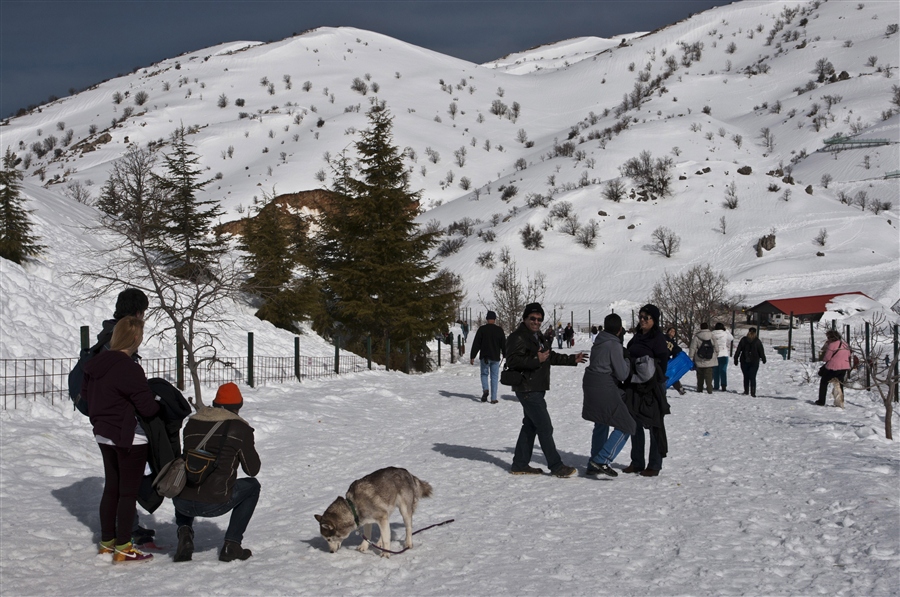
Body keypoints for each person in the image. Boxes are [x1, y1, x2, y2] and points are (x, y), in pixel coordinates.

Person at [83, 316, 160, 564]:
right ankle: (124, 547)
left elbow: (86, 397)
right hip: (129, 437)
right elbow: (147, 408)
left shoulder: (95, 364)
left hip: (103, 433)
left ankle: (107, 543)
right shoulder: (130, 368)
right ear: (136, 338)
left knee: (111, 488)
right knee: (127, 493)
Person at [173, 383, 261, 563]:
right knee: (253, 486)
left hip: (181, 502)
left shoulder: (193, 422)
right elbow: (252, 470)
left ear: (215, 402)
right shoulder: (240, 428)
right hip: (214, 502)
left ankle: (184, 531)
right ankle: (232, 545)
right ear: (239, 406)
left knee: (188, 477)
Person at [505, 303, 586, 477]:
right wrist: (536, 359)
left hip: (536, 387)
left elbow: (549, 356)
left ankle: (519, 464)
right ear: (525, 318)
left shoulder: (537, 336)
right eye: (532, 318)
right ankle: (556, 466)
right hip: (527, 388)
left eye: (539, 319)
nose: (536, 322)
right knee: (545, 427)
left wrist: (572, 359)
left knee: (530, 426)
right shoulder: (517, 337)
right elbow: (512, 361)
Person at [582, 313, 634, 477]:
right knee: (627, 425)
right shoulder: (614, 345)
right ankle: (602, 459)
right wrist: (627, 359)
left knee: (601, 422)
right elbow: (622, 374)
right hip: (604, 385)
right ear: (619, 329)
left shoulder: (599, 341)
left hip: (590, 384)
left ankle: (593, 463)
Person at [623, 304, 670, 477]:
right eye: (641, 317)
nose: (642, 320)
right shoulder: (637, 337)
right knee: (634, 422)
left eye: (646, 317)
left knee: (654, 424)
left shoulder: (658, 338)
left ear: (654, 320)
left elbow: (663, 362)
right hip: (635, 385)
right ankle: (637, 462)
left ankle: (654, 464)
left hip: (652, 387)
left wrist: (652, 377)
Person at [469, 311, 506, 404]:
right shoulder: (499, 330)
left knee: (484, 374)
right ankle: (493, 398)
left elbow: (476, 343)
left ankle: (485, 389)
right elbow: (503, 344)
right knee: (494, 377)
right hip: (495, 357)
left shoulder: (482, 329)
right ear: (495, 319)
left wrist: (472, 356)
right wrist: (505, 354)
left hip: (484, 357)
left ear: (487, 319)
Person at [817, 330, 851, 406]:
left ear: (830, 337)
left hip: (833, 367)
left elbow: (827, 358)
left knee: (824, 382)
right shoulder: (845, 344)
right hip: (844, 367)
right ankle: (840, 402)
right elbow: (849, 355)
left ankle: (821, 401)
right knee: (839, 384)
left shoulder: (832, 345)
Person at [733, 328, 766, 397]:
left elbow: (738, 350)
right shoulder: (757, 341)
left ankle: (746, 391)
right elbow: (761, 351)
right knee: (753, 377)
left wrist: (736, 358)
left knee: (746, 376)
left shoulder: (744, 340)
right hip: (754, 361)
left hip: (744, 360)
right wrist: (763, 358)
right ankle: (753, 393)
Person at [689, 322, 720, 394]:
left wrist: (691, 357)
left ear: (701, 327)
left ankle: (700, 389)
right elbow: (716, 346)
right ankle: (709, 389)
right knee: (709, 376)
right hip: (710, 359)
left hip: (699, 359)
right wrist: (716, 354)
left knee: (700, 375)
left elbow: (692, 348)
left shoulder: (697, 337)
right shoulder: (712, 335)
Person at [711, 322, 734, 392]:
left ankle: (716, 385)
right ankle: (723, 385)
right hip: (724, 354)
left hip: (715, 354)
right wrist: (726, 330)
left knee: (715, 371)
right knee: (723, 370)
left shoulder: (712, 334)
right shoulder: (725, 333)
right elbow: (731, 338)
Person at [665, 326, 687, 395]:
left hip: (666, 359)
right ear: (667, 331)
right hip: (658, 358)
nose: (672, 332)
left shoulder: (673, 343)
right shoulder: (662, 337)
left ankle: (679, 388)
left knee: (672, 373)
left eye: (674, 331)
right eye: (671, 330)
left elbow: (676, 351)